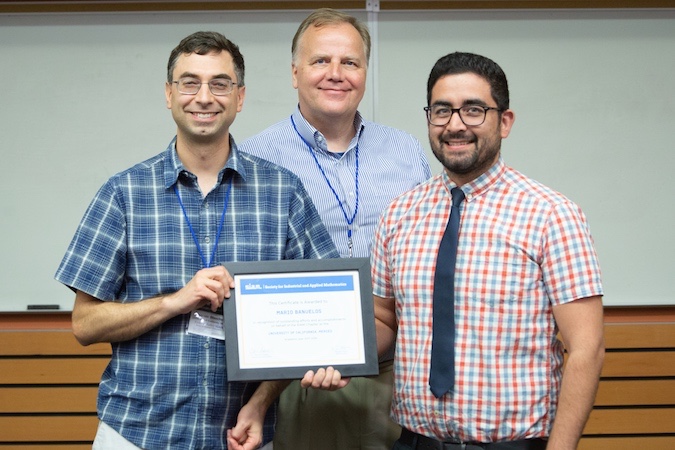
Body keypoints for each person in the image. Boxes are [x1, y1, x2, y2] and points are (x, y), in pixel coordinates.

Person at [54, 31, 340, 450]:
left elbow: (322, 311)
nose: (204, 97)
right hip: (135, 433)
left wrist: (260, 403)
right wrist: (176, 300)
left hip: (240, 434)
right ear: (169, 94)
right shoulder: (124, 193)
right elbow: (84, 324)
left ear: (239, 98)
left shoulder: (283, 192)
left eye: (220, 84)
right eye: (190, 83)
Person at [371, 52, 605, 450]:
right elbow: (384, 320)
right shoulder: (398, 215)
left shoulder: (551, 215)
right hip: (415, 442)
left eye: (474, 110)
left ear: (505, 121)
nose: (455, 125)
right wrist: (332, 354)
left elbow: (586, 348)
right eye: (442, 111)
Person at [239, 8, 431, 450]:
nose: (336, 74)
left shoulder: (405, 152)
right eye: (321, 60)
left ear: (365, 72)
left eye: (350, 62)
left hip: (396, 372)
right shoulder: (255, 159)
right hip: (294, 378)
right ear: (294, 72)